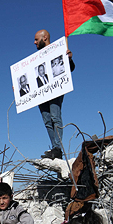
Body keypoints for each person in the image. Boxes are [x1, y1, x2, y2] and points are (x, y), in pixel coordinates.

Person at [34, 30, 75, 160]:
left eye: (36, 39)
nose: (34, 42)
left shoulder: (58, 49)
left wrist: (69, 58)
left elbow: (69, 68)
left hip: (55, 88)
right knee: (47, 119)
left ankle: (57, 148)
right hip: (41, 92)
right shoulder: (36, 58)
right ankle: (54, 147)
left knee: (55, 116)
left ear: (44, 38)